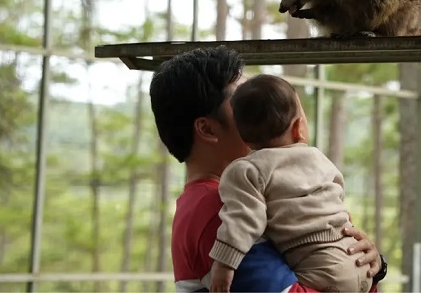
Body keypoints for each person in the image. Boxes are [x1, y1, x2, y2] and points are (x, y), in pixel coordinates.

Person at [149, 47, 387, 292]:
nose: (265, 109)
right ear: (207, 129)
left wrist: (370, 267)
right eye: (245, 102)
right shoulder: (218, 212)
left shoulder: (258, 191)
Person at [208, 74, 372, 293]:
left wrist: (224, 263)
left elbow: (243, 218)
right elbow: (337, 194)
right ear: (298, 128)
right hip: (358, 260)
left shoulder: (247, 170)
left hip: (318, 269)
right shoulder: (318, 157)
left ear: (244, 138)